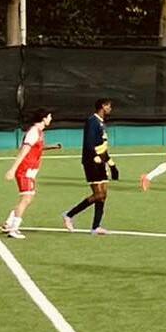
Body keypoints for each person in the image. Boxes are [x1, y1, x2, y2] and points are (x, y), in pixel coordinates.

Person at [2, 110, 60, 240]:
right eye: (49, 116)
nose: (51, 119)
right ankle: (13, 228)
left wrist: (51, 147)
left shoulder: (39, 132)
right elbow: (24, 150)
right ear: (43, 118)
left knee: (28, 198)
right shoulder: (33, 132)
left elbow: (36, 148)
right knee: (26, 199)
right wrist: (13, 169)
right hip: (25, 171)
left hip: (30, 171)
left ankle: (9, 223)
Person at [62, 99, 116, 235]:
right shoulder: (92, 121)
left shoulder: (102, 123)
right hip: (91, 162)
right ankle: (69, 214)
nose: (110, 108)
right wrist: (94, 156)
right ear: (103, 107)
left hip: (101, 161)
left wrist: (111, 163)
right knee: (98, 194)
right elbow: (88, 142)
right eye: (108, 106)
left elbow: (102, 145)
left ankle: (96, 227)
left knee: (103, 195)